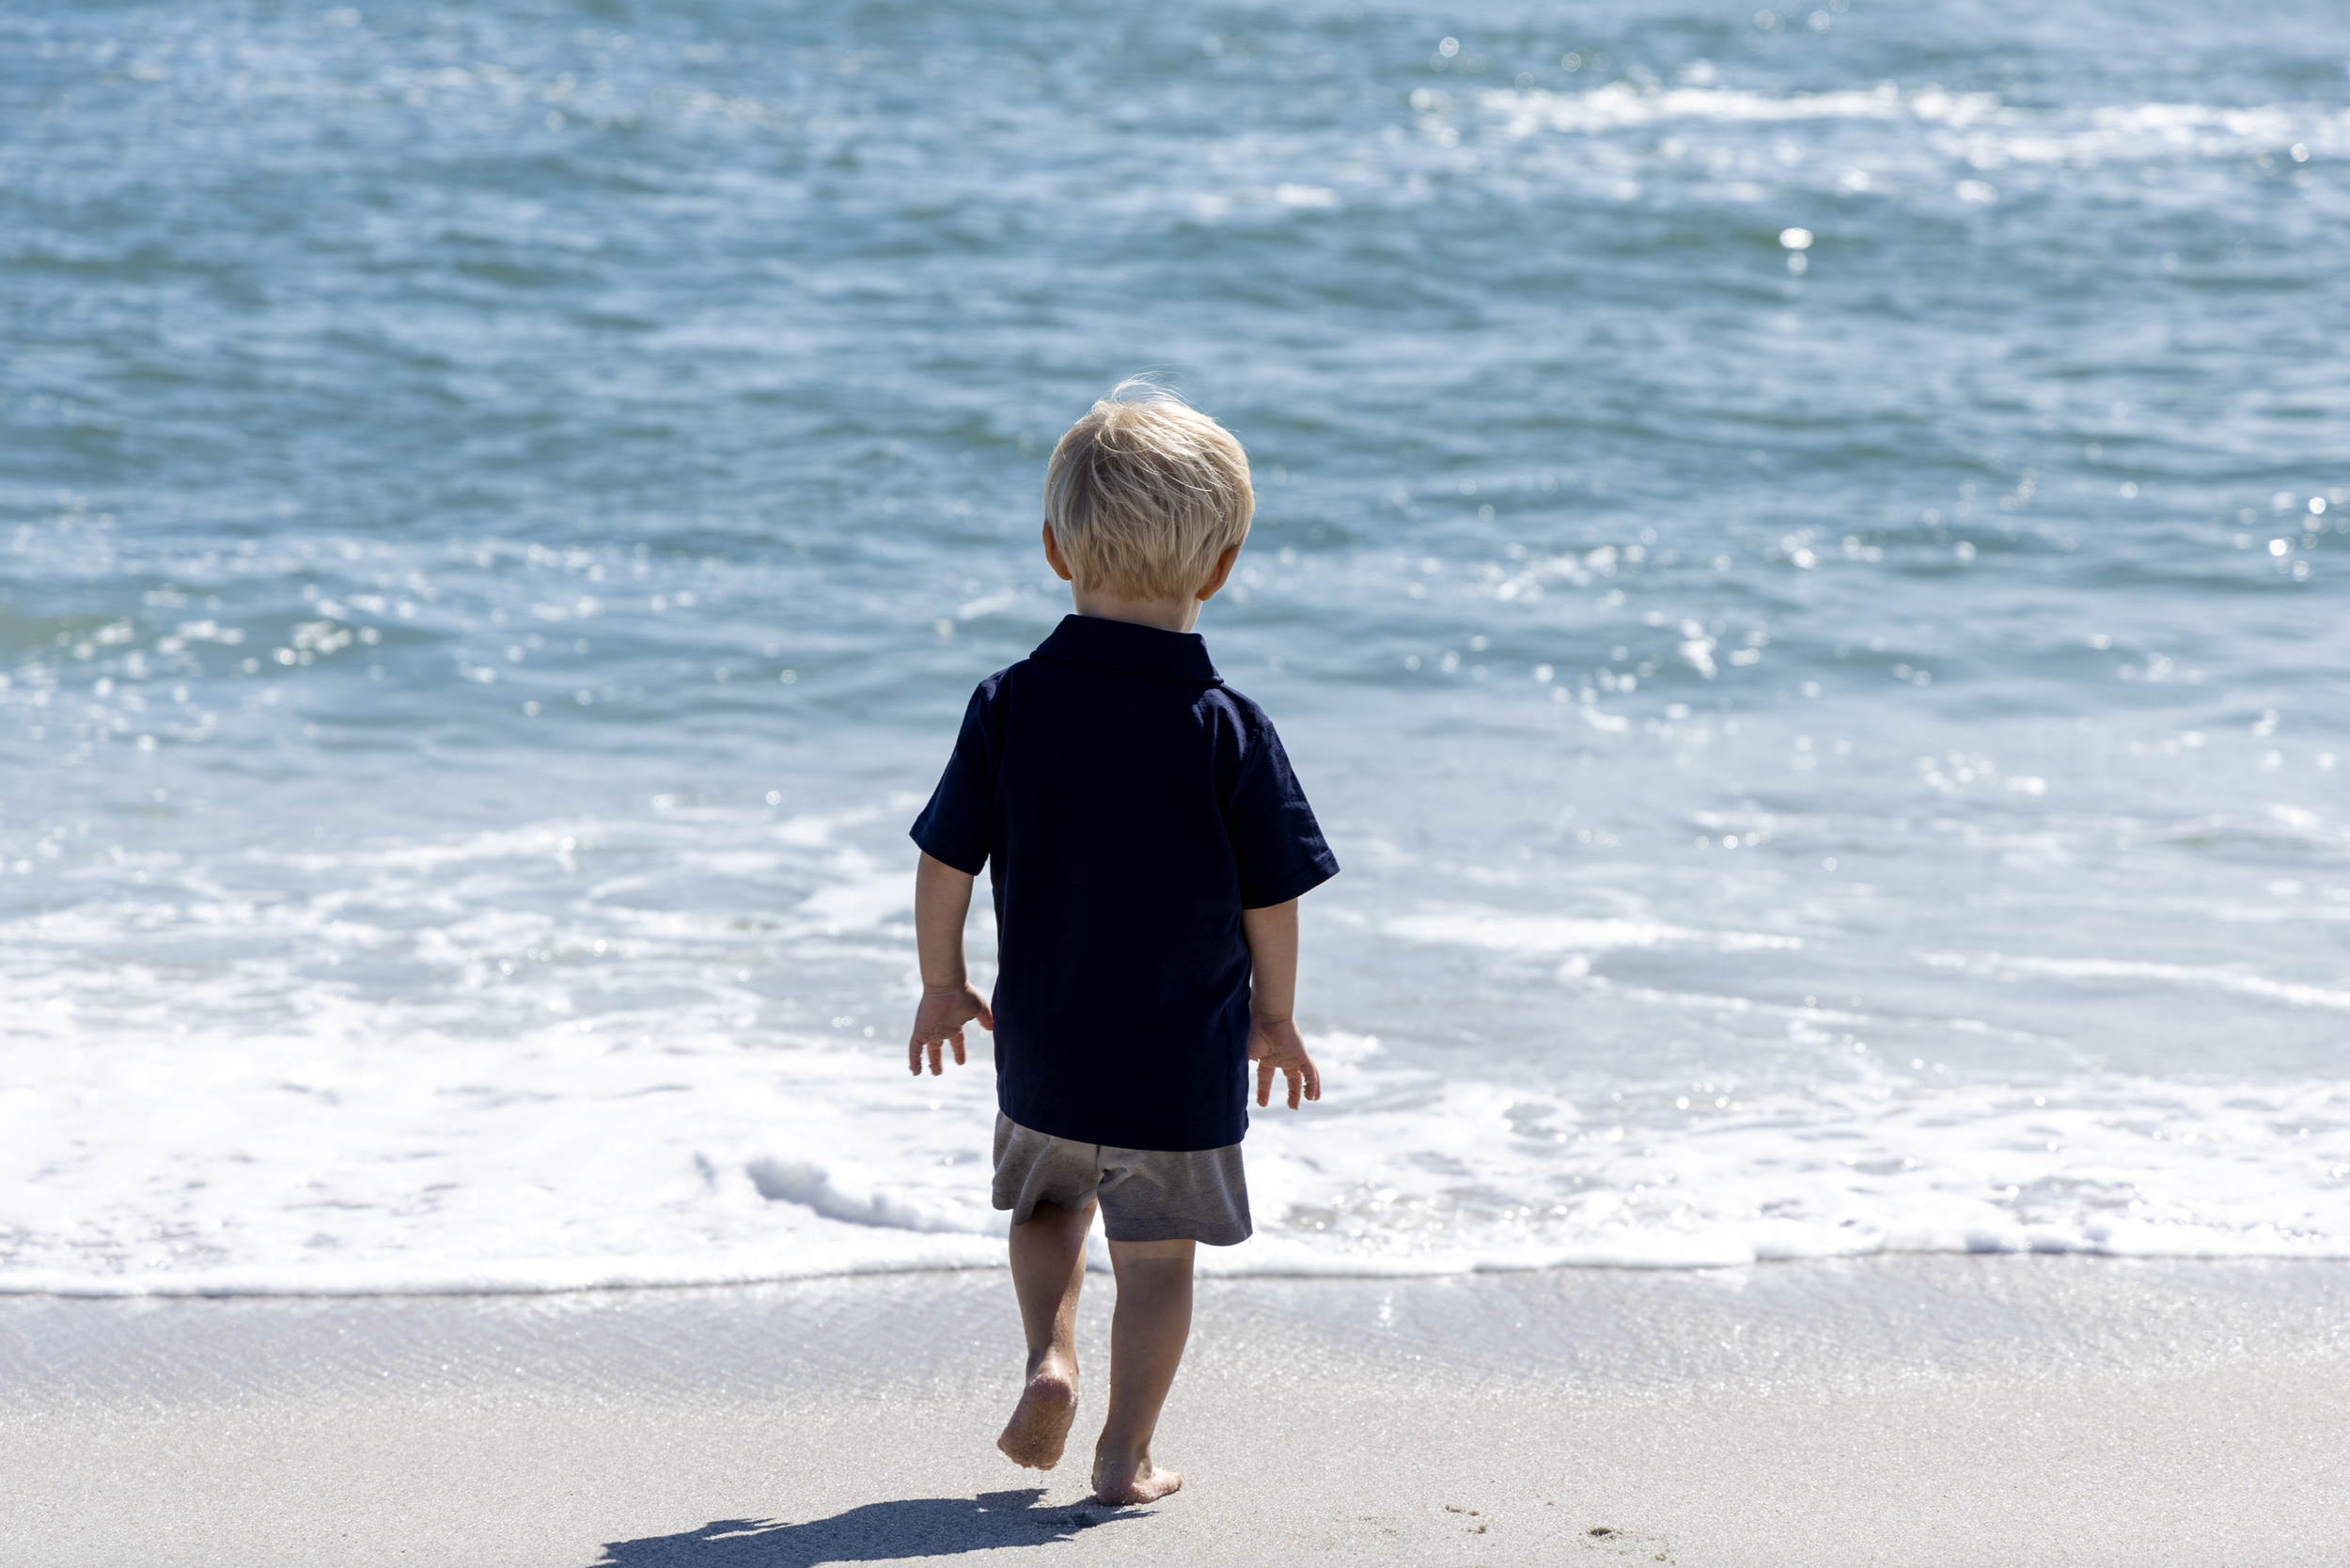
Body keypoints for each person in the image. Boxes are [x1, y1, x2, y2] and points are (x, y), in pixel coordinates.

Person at [903, 379, 1339, 1508]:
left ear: (1056, 550)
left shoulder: (1010, 704)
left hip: (1046, 1044)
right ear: (1222, 566)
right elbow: (1272, 897)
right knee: (1157, 1260)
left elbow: (944, 862)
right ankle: (1122, 1457)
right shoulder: (1228, 727)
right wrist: (1276, 1016)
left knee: (1047, 1211)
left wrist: (942, 985)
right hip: (1178, 1055)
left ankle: (1049, 1357)